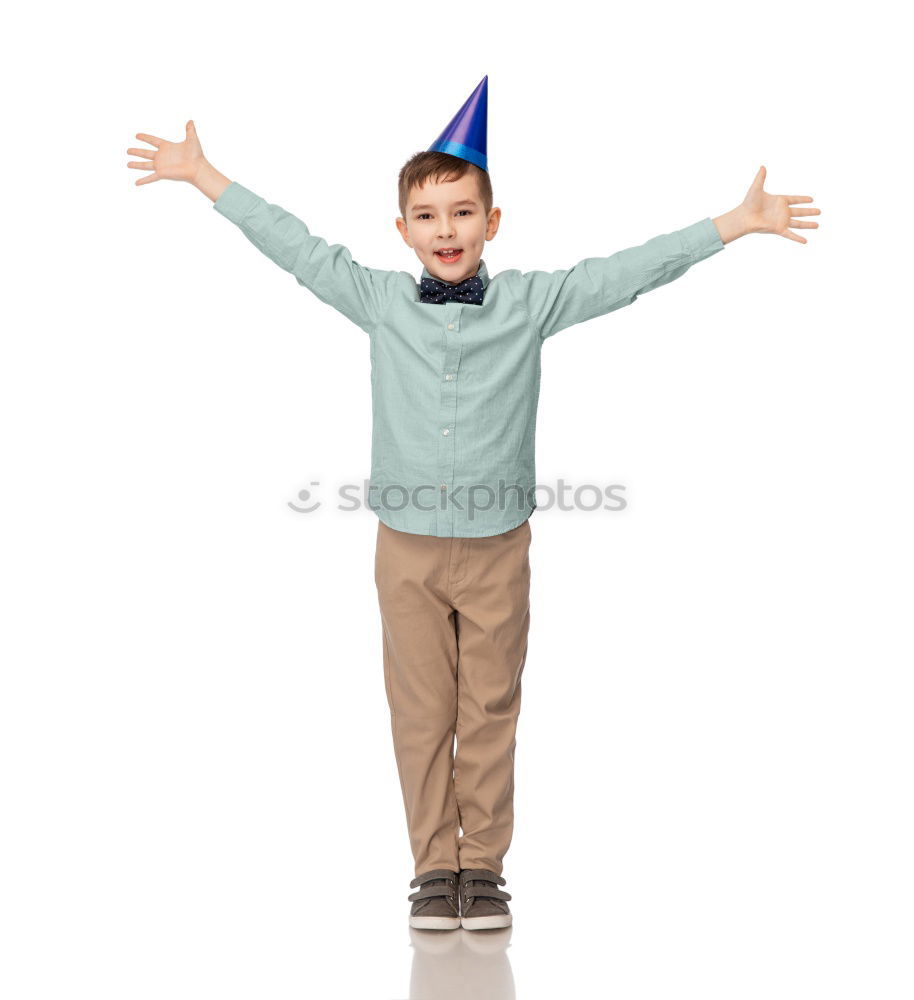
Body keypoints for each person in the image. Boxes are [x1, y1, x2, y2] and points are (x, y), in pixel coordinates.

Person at [127, 75, 820, 932]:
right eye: (427, 215)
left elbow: (626, 274)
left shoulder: (530, 303)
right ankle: (432, 866)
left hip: (497, 545)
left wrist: (730, 226)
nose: (444, 230)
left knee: (490, 705)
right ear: (403, 230)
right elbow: (298, 248)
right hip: (406, 548)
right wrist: (206, 177)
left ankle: (482, 866)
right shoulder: (380, 302)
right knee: (421, 709)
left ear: (492, 224)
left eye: (461, 213)